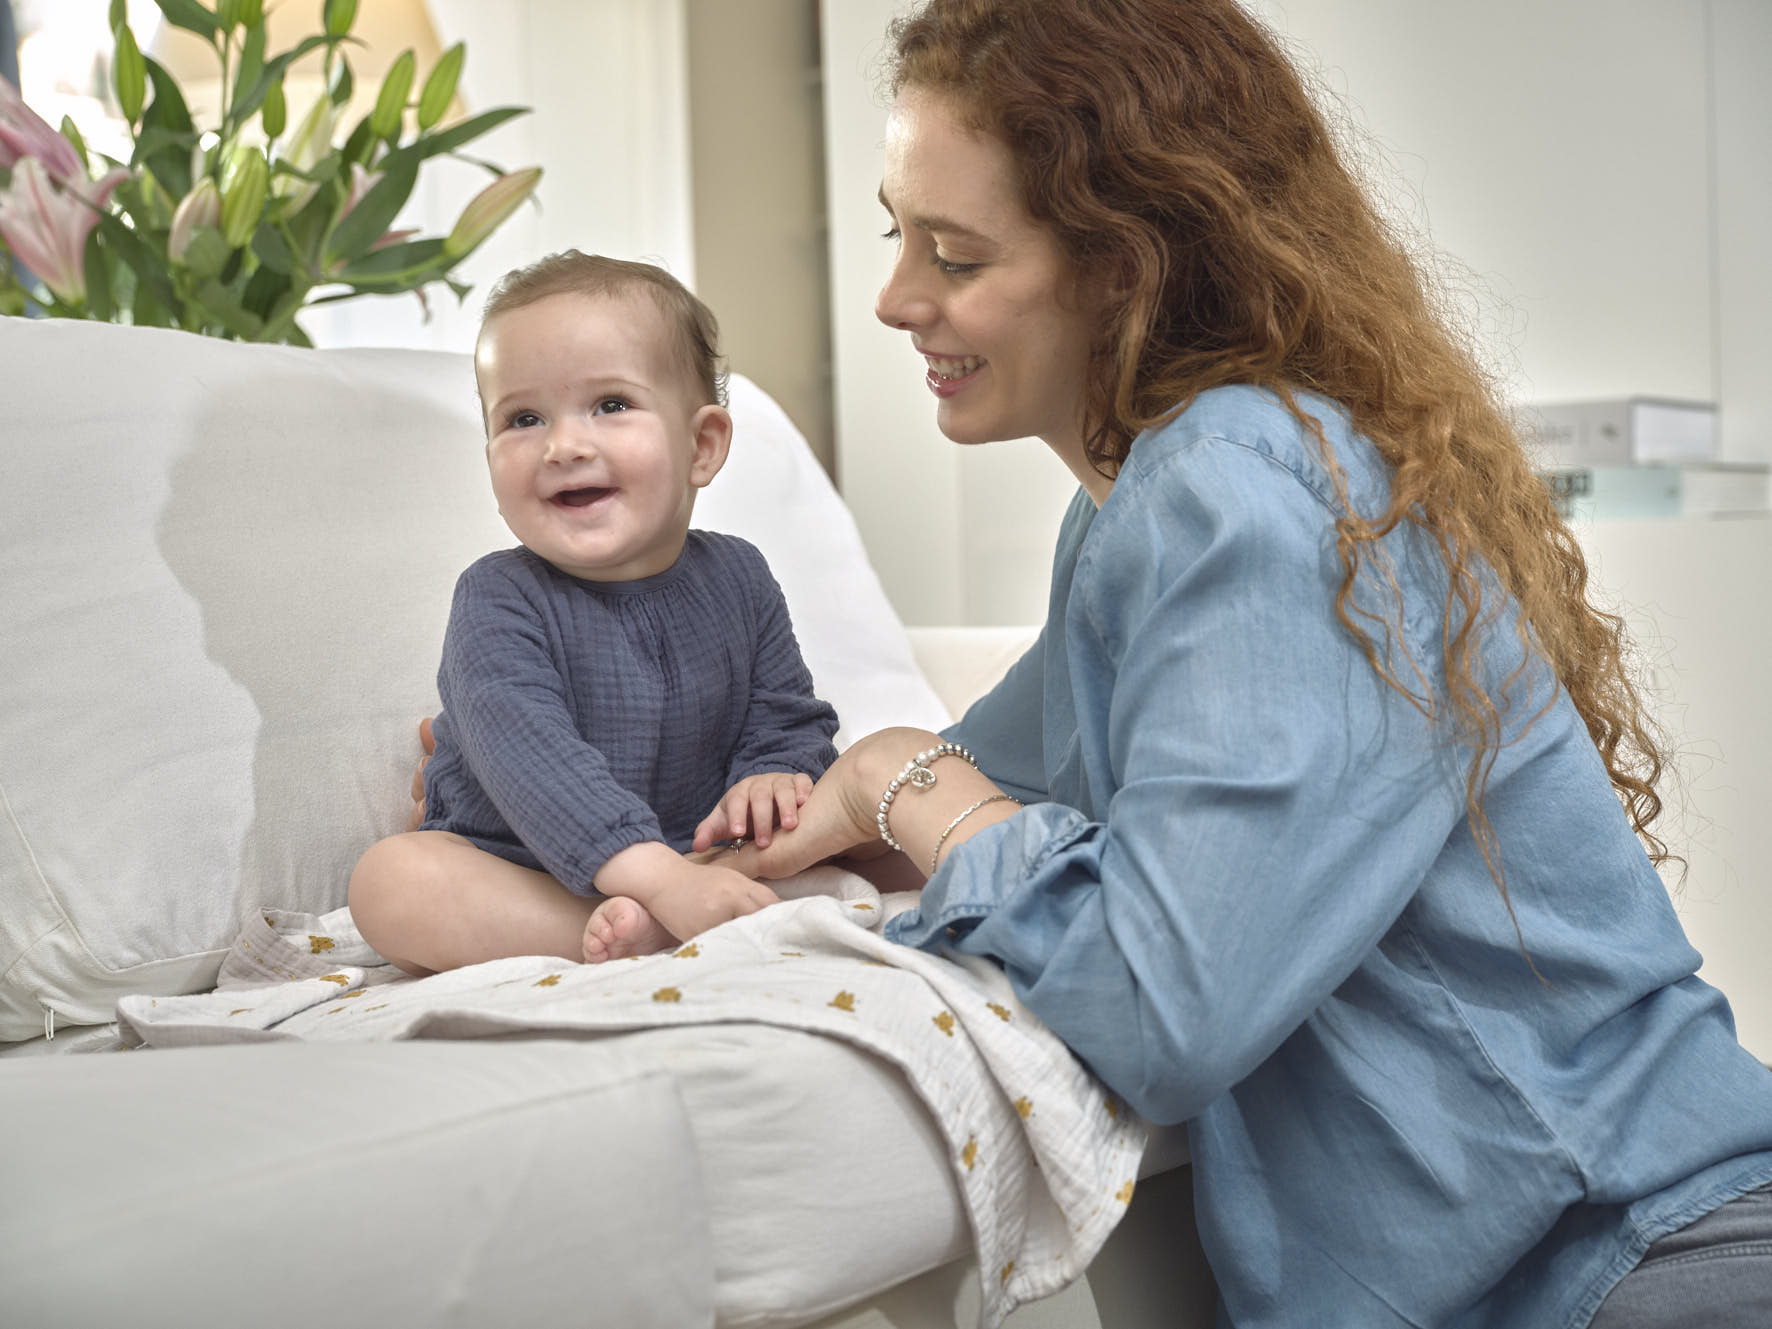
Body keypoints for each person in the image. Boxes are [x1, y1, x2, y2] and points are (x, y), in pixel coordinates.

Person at [696, 2, 1772, 1325]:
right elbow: (980, 798)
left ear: (1123, 263)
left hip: (1637, 1263)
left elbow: (1157, 1000)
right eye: (896, 232)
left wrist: (892, 779)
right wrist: (628, 831)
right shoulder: (1143, 508)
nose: (895, 297)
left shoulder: (1246, 487)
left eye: (954, 254)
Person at [352, 251, 839, 974]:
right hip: (523, 866)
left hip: (700, 851)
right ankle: (622, 923)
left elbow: (785, 715)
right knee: (391, 882)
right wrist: (661, 881)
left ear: (701, 445)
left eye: (611, 405)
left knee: (866, 797)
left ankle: (676, 909)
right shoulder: (497, 597)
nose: (564, 445)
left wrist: (772, 771)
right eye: (522, 418)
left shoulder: (740, 575)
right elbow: (535, 759)